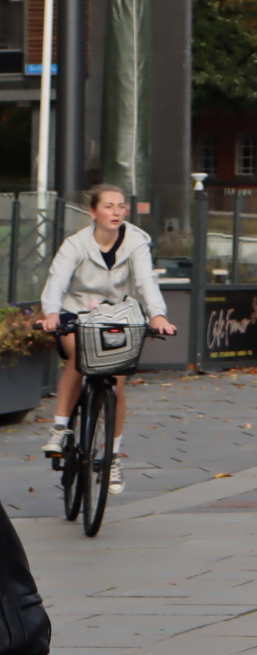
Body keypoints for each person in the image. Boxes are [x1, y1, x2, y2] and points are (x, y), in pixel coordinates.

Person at [40, 184, 176, 490]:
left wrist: (157, 315)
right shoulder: (75, 244)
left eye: (120, 206)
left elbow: (146, 282)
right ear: (93, 212)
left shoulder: (137, 243)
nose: (115, 212)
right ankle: (60, 429)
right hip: (77, 314)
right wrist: (50, 312)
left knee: (117, 379)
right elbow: (56, 282)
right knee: (80, 356)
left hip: (119, 316)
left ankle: (113, 459)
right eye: (108, 206)